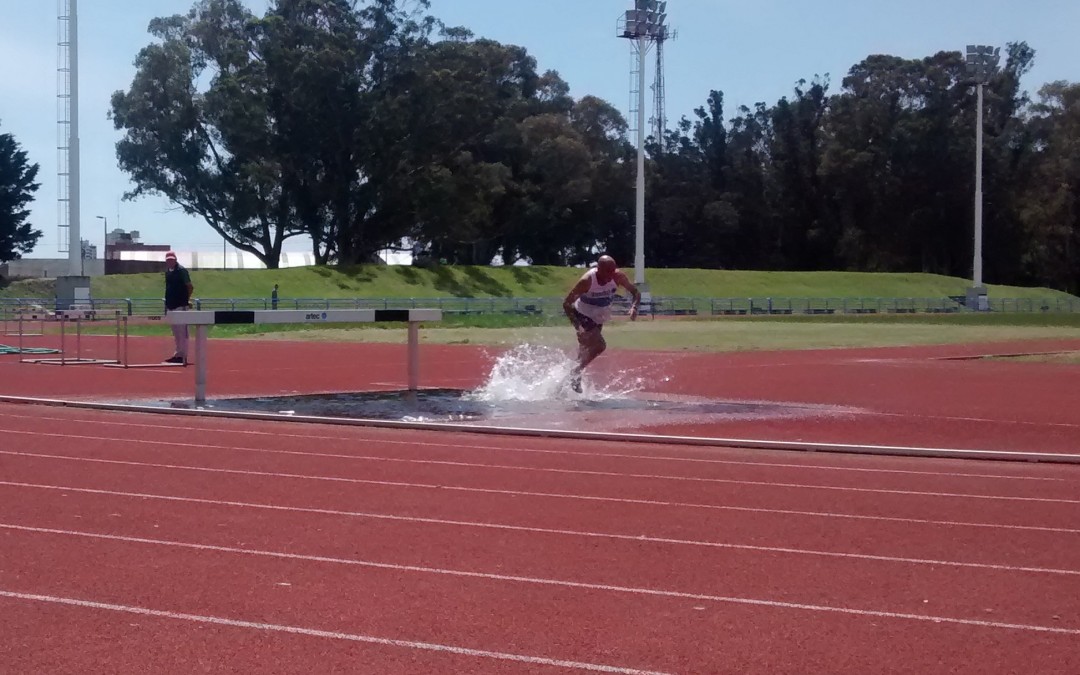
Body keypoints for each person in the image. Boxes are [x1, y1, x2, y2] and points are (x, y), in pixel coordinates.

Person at [562, 255, 641, 392]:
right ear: (598, 269)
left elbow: (635, 292)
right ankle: (574, 372)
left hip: (598, 317)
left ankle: (563, 385)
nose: (610, 276)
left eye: (613, 271)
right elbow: (566, 303)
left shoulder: (617, 277)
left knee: (585, 351)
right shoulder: (587, 281)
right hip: (582, 314)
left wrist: (634, 307)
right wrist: (577, 326)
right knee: (599, 346)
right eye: (607, 272)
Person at [163, 251, 193, 364]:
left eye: (172, 259)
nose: (170, 261)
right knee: (175, 331)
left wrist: (186, 299)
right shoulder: (168, 272)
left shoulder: (182, 271)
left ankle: (183, 355)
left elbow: (189, 286)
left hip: (181, 305)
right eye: (168, 260)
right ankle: (177, 354)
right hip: (171, 305)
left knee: (182, 331)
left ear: (175, 259)